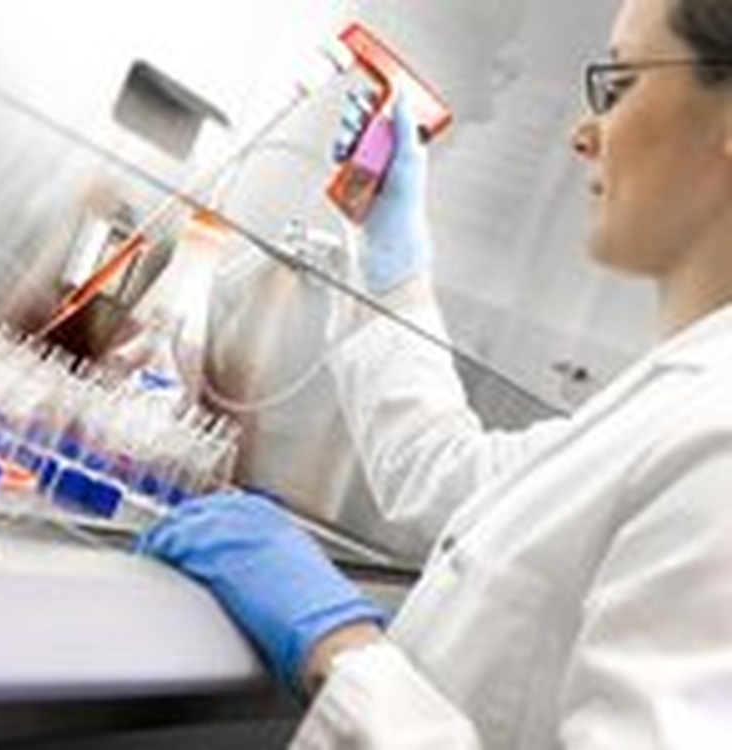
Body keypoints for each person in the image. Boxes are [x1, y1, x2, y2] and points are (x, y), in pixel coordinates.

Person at [136, 0, 732, 746]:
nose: (584, 135)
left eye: (620, 84)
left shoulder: (719, 444)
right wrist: (393, 268)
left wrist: (343, 653)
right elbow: (449, 477)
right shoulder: (681, 400)